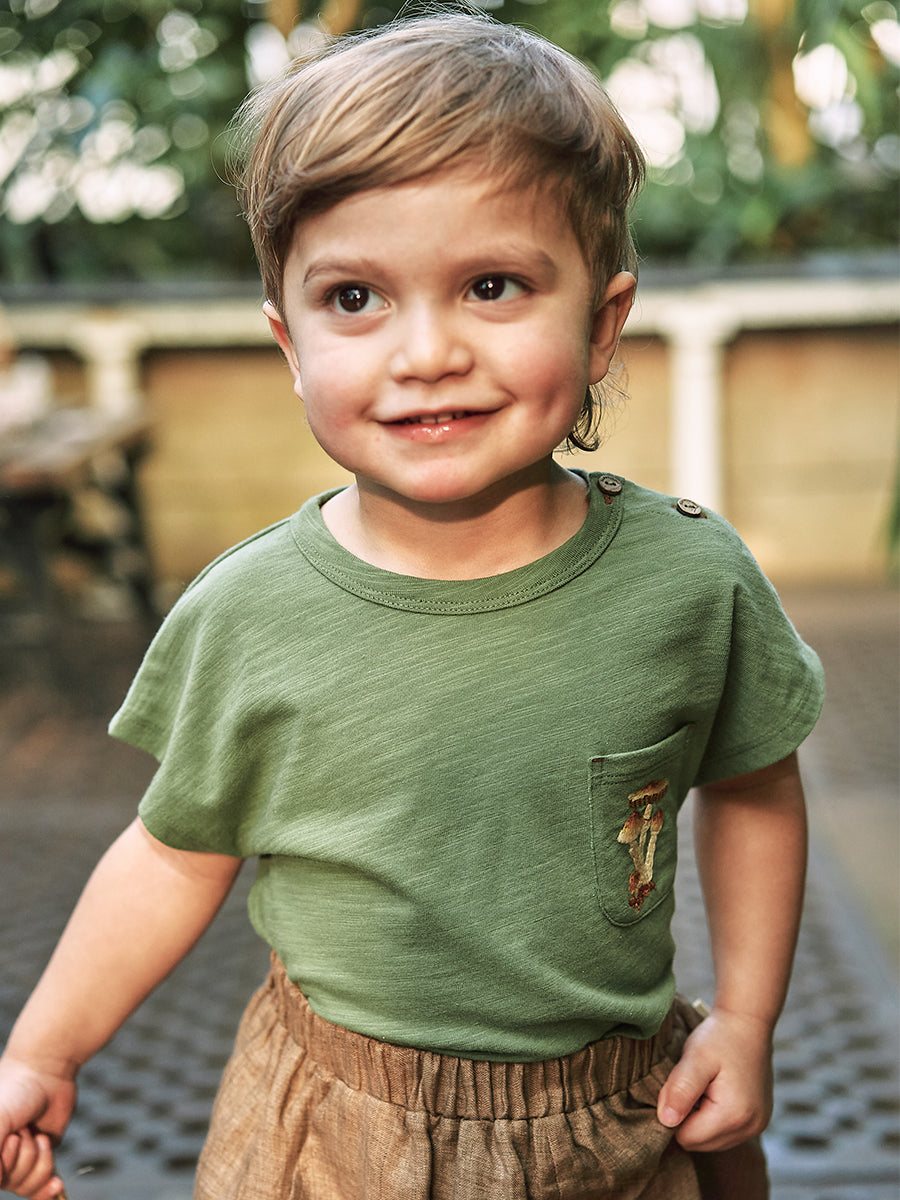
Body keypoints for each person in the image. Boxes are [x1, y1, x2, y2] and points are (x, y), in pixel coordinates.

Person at [0, 10, 824, 1199]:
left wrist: (746, 1022)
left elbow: (752, 789)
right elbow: (174, 855)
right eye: (355, 298)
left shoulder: (692, 582)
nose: (426, 352)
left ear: (602, 325)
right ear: (289, 344)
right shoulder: (251, 611)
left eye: (491, 285)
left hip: (619, 1120)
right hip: (335, 1132)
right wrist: (42, 1049)